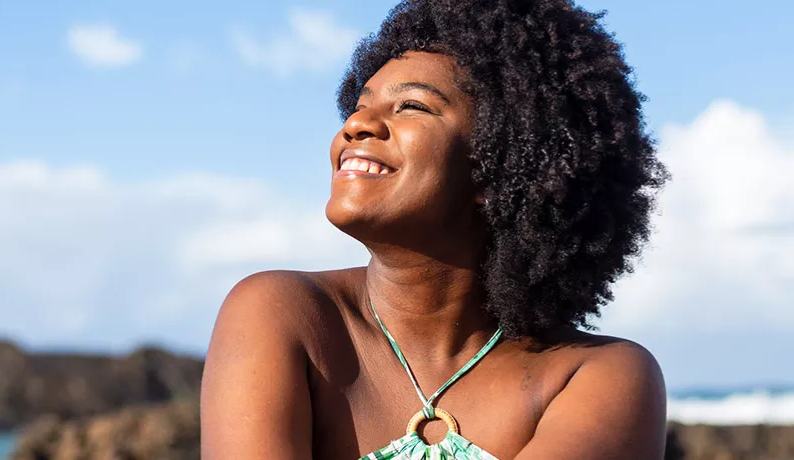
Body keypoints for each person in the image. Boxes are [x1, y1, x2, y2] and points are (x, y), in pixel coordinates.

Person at [201, 0, 670, 458]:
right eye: (360, 106)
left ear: (499, 167)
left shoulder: (598, 376)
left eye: (411, 106)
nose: (357, 124)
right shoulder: (284, 315)